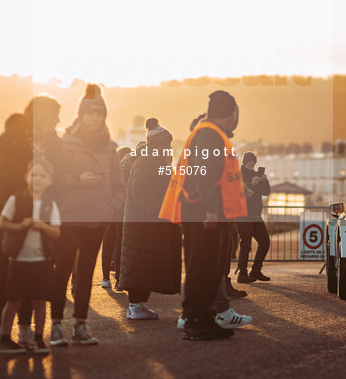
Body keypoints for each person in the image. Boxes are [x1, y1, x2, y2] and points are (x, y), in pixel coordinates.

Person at [160, 90, 248, 341]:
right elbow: (205, 176)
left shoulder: (210, 134)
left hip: (209, 211)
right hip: (204, 213)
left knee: (212, 266)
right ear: (232, 114)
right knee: (203, 266)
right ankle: (195, 319)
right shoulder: (209, 135)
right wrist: (210, 209)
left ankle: (203, 317)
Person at [49, 84, 124, 347]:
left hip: (96, 219)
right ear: (81, 115)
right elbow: (54, 180)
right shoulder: (65, 144)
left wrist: (109, 207)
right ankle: (56, 326)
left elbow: (118, 185)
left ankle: (81, 325)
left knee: (86, 273)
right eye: (90, 113)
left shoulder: (110, 147)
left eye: (99, 114)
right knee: (62, 271)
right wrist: (79, 180)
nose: (94, 118)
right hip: (69, 217)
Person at [0, 95, 65, 348]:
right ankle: (1, 331)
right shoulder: (11, 136)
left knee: (36, 278)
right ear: (42, 115)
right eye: (54, 114)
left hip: (42, 211)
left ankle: (26, 330)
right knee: (9, 277)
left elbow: (60, 175)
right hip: (16, 209)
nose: (57, 120)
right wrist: (21, 199)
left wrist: (49, 201)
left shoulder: (54, 141)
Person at [0, 157, 61, 355]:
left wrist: (41, 225)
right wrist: (21, 225)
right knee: (13, 301)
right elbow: (2, 224)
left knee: (40, 302)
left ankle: (39, 338)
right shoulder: (16, 199)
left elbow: (56, 232)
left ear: (50, 180)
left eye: (43, 175)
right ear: (26, 177)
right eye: (34, 174)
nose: (38, 179)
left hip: (41, 262)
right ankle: (5, 339)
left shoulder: (50, 204)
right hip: (18, 261)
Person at [117, 119, 181, 320]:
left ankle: (140, 306)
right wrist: (158, 212)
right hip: (143, 224)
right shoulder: (145, 162)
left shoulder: (156, 162)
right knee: (139, 266)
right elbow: (141, 194)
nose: (168, 148)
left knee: (146, 267)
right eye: (165, 144)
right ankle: (135, 307)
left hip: (151, 221)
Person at [236, 152, 271, 283]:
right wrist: (252, 184)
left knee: (265, 242)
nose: (252, 163)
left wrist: (264, 181)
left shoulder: (257, 174)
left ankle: (256, 270)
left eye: (254, 161)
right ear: (244, 162)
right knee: (245, 245)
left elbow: (266, 192)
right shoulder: (238, 174)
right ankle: (242, 274)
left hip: (256, 215)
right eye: (250, 161)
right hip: (243, 215)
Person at [101, 145, 132, 291]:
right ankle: (119, 279)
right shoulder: (129, 171)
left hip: (109, 212)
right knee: (120, 244)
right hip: (121, 212)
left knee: (107, 245)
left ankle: (105, 278)